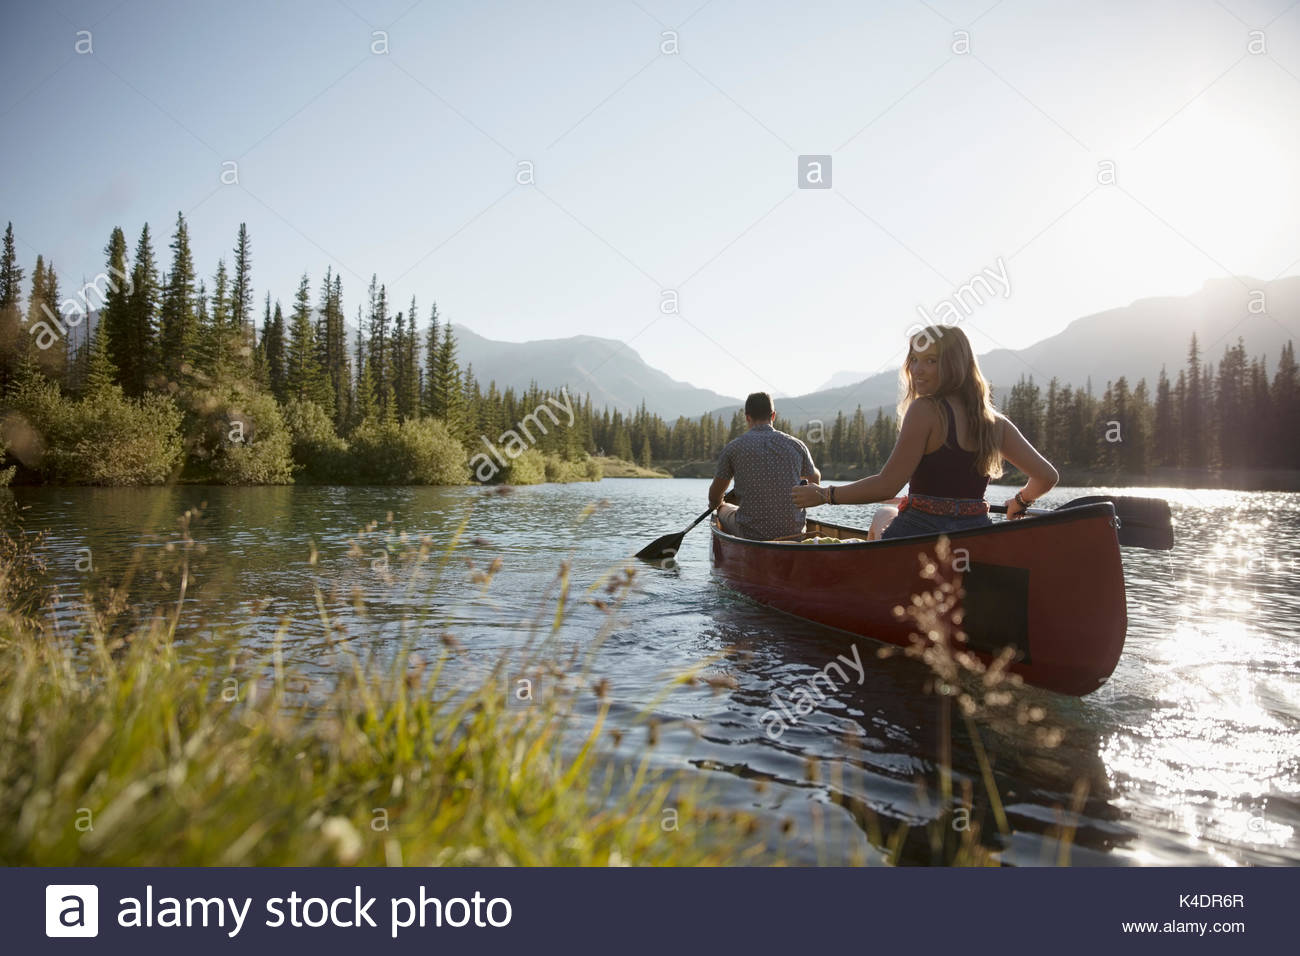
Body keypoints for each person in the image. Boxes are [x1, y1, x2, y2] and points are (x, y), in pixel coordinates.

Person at [792, 325, 1057, 538]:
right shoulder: (996, 423)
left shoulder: (926, 409)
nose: (917, 370)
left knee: (882, 516)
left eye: (930, 360)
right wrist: (1020, 501)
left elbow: (888, 484)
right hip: (977, 535)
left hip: (918, 533)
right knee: (886, 513)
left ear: (954, 365)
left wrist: (825, 495)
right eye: (914, 360)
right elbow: (1046, 476)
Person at [710, 392, 821, 539]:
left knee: (722, 508)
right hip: (795, 535)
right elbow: (815, 481)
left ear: (747, 417)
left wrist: (718, 504)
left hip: (750, 535)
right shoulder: (796, 445)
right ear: (773, 416)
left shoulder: (733, 448)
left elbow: (714, 497)